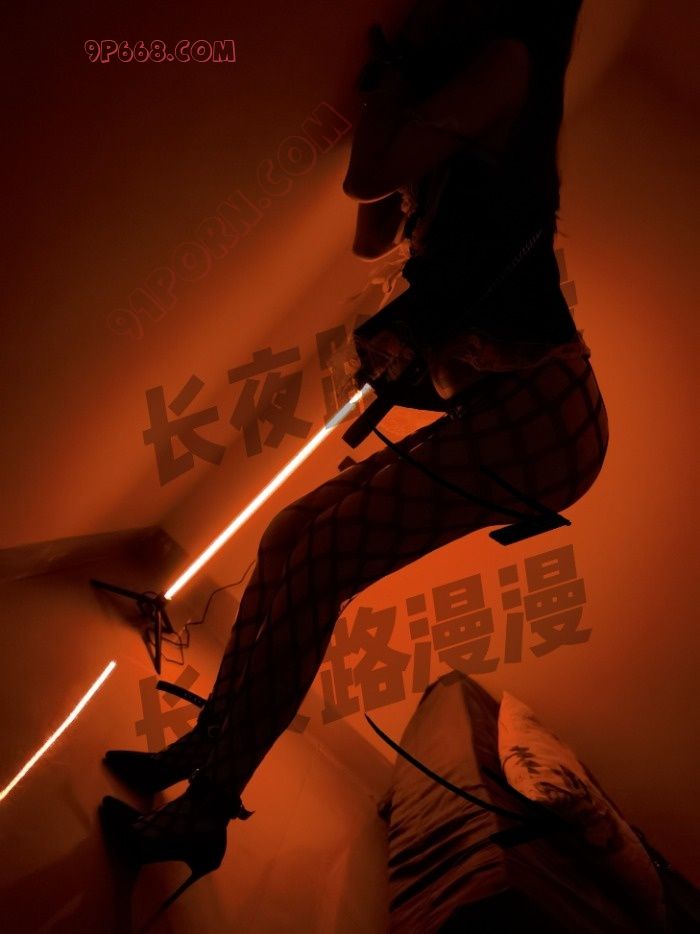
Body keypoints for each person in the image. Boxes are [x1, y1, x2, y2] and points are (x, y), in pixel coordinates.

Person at [99, 0, 608, 914]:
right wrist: (397, 104)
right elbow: (371, 225)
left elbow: (367, 171)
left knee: (321, 565)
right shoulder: (463, 94)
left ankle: (205, 813)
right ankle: (206, 749)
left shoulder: (509, 61)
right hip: (509, 401)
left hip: (543, 418)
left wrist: (394, 85)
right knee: (292, 534)